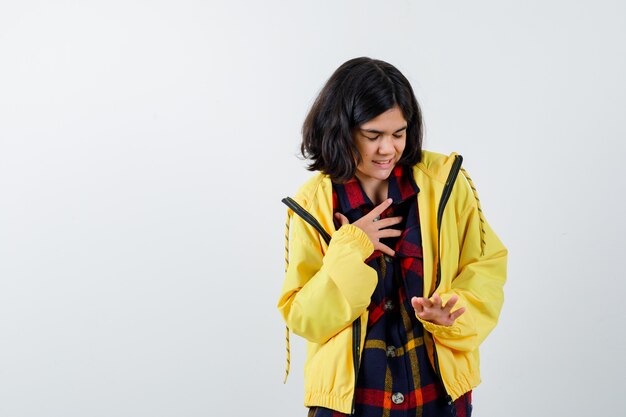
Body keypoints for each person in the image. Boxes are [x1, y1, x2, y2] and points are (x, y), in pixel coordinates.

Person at [277, 57, 507, 417]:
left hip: (436, 392)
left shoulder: (446, 183)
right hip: (349, 401)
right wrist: (351, 247)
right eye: (373, 135)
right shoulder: (312, 204)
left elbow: (486, 269)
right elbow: (306, 319)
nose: (388, 149)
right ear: (341, 130)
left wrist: (454, 315)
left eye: (398, 133)